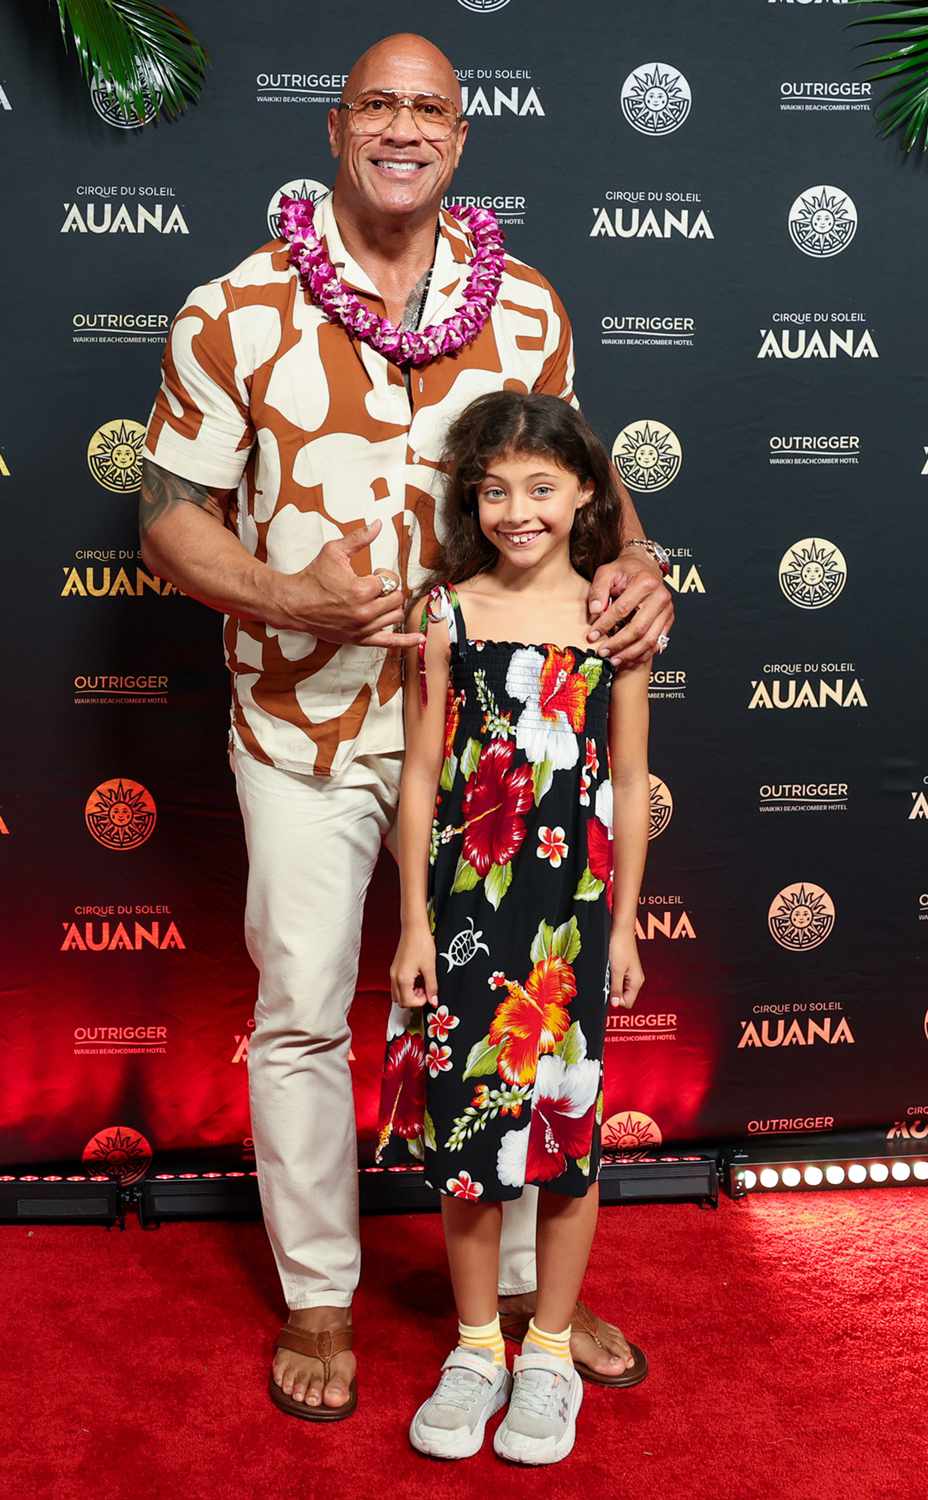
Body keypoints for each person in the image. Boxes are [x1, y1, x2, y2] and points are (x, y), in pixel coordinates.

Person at [139, 31, 672, 1421]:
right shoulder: (231, 310)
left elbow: (584, 490)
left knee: (515, 1010)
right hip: (303, 722)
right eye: (377, 104)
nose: (402, 129)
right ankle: (321, 1292)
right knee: (309, 1009)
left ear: (460, 138)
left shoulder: (531, 307)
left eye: (428, 109)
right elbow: (166, 521)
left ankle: (513, 1316)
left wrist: (642, 567)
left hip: (501, 737)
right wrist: (287, 596)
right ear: (335, 127)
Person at [393, 391, 650, 1464]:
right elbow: (417, 776)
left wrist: (627, 923)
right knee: (467, 1137)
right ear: (470, 500)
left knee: (566, 1137)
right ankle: (473, 1350)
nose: (516, 509)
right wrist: (411, 919)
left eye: (540, 487)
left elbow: (630, 781)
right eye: (493, 490)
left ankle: (546, 1354)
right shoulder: (445, 611)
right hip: (464, 912)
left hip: (574, 917)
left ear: (588, 491)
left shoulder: (612, 618)